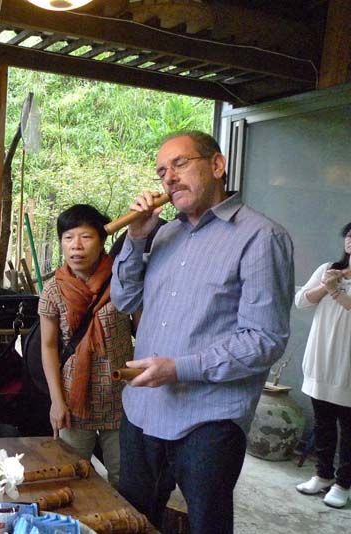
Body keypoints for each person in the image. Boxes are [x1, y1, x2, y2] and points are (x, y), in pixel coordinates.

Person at [111, 130, 294, 532]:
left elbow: (265, 339)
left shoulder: (262, 236)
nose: (169, 178)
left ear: (217, 165)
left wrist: (180, 368)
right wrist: (136, 237)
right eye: (162, 172)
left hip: (209, 420)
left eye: (180, 164)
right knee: (133, 521)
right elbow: (124, 300)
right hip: (144, 410)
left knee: (207, 525)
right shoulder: (164, 234)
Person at [38, 204, 133, 488]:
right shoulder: (53, 289)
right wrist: (56, 401)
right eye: (68, 237)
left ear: (102, 240)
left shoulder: (123, 281)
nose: (76, 246)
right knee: (71, 477)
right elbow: (48, 347)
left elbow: (145, 329)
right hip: (74, 401)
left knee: (124, 479)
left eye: (86, 237)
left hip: (121, 398)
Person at [294, 221, 351, 509]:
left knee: (349, 429)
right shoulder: (328, 269)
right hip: (322, 356)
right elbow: (301, 301)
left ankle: (343, 483)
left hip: (348, 364)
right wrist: (325, 285)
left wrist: (336, 292)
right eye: (349, 235)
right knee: (323, 422)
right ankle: (323, 474)